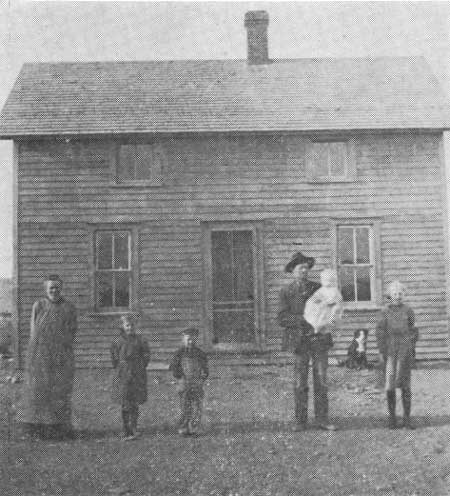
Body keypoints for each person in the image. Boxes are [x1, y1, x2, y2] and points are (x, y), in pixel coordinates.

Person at [278, 254, 337, 431]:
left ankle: (322, 419)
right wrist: (303, 320)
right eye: (299, 268)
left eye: (305, 267)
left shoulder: (318, 288)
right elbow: (281, 317)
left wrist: (321, 320)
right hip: (299, 341)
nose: (303, 271)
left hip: (319, 338)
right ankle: (300, 421)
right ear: (292, 271)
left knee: (321, 379)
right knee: (300, 381)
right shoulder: (286, 291)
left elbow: (328, 309)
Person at [22, 275, 77, 440]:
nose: (54, 290)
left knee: (60, 391)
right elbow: (34, 331)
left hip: (60, 355)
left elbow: (72, 330)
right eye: (51, 288)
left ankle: (60, 429)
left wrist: (62, 349)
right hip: (40, 354)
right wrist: (34, 354)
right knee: (39, 390)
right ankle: (37, 429)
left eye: (57, 287)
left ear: (62, 288)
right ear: (46, 289)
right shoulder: (39, 306)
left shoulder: (69, 307)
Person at [376, 281, 418, 429]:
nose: (398, 296)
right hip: (390, 350)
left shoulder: (408, 310)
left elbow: (414, 330)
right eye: (395, 293)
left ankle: (407, 419)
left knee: (405, 384)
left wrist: (411, 346)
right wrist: (382, 351)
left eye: (400, 293)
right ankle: (392, 418)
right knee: (390, 384)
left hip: (405, 350)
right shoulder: (384, 311)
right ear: (390, 295)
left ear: (404, 295)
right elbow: (380, 332)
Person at [110, 315, 151, 440]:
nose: (130, 328)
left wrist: (139, 366)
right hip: (123, 373)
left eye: (132, 325)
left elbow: (146, 355)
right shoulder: (118, 341)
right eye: (127, 325)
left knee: (134, 402)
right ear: (122, 326)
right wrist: (121, 367)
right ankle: (125, 428)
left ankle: (134, 427)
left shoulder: (141, 340)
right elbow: (114, 357)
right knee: (125, 401)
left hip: (137, 372)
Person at [169, 327, 209, 436]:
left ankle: (194, 427)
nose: (191, 342)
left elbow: (205, 369)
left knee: (197, 405)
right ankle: (184, 427)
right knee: (185, 405)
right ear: (183, 340)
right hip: (184, 383)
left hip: (196, 382)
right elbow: (173, 367)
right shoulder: (179, 353)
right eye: (188, 339)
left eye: (193, 339)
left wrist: (202, 378)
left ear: (196, 340)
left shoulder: (200, 353)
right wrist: (180, 377)